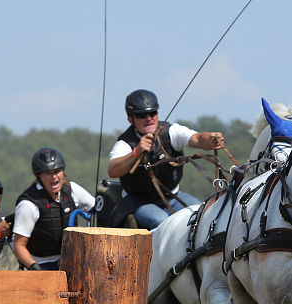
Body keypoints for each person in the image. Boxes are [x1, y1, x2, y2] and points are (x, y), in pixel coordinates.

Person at [106, 89, 224, 229]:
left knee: (205, 214)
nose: (149, 118)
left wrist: (211, 139)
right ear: (131, 120)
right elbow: (113, 170)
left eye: (153, 113)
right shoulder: (125, 143)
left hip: (173, 196)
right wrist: (136, 152)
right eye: (142, 115)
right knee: (163, 222)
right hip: (139, 202)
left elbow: (197, 139)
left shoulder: (171, 132)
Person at [12, 148, 95, 271]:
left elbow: (98, 208)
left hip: (71, 260)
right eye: (48, 173)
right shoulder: (28, 204)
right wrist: (35, 267)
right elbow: (18, 245)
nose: (54, 177)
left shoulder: (72, 190)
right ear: (39, 175)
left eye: (57, 171)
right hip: (42, 264)